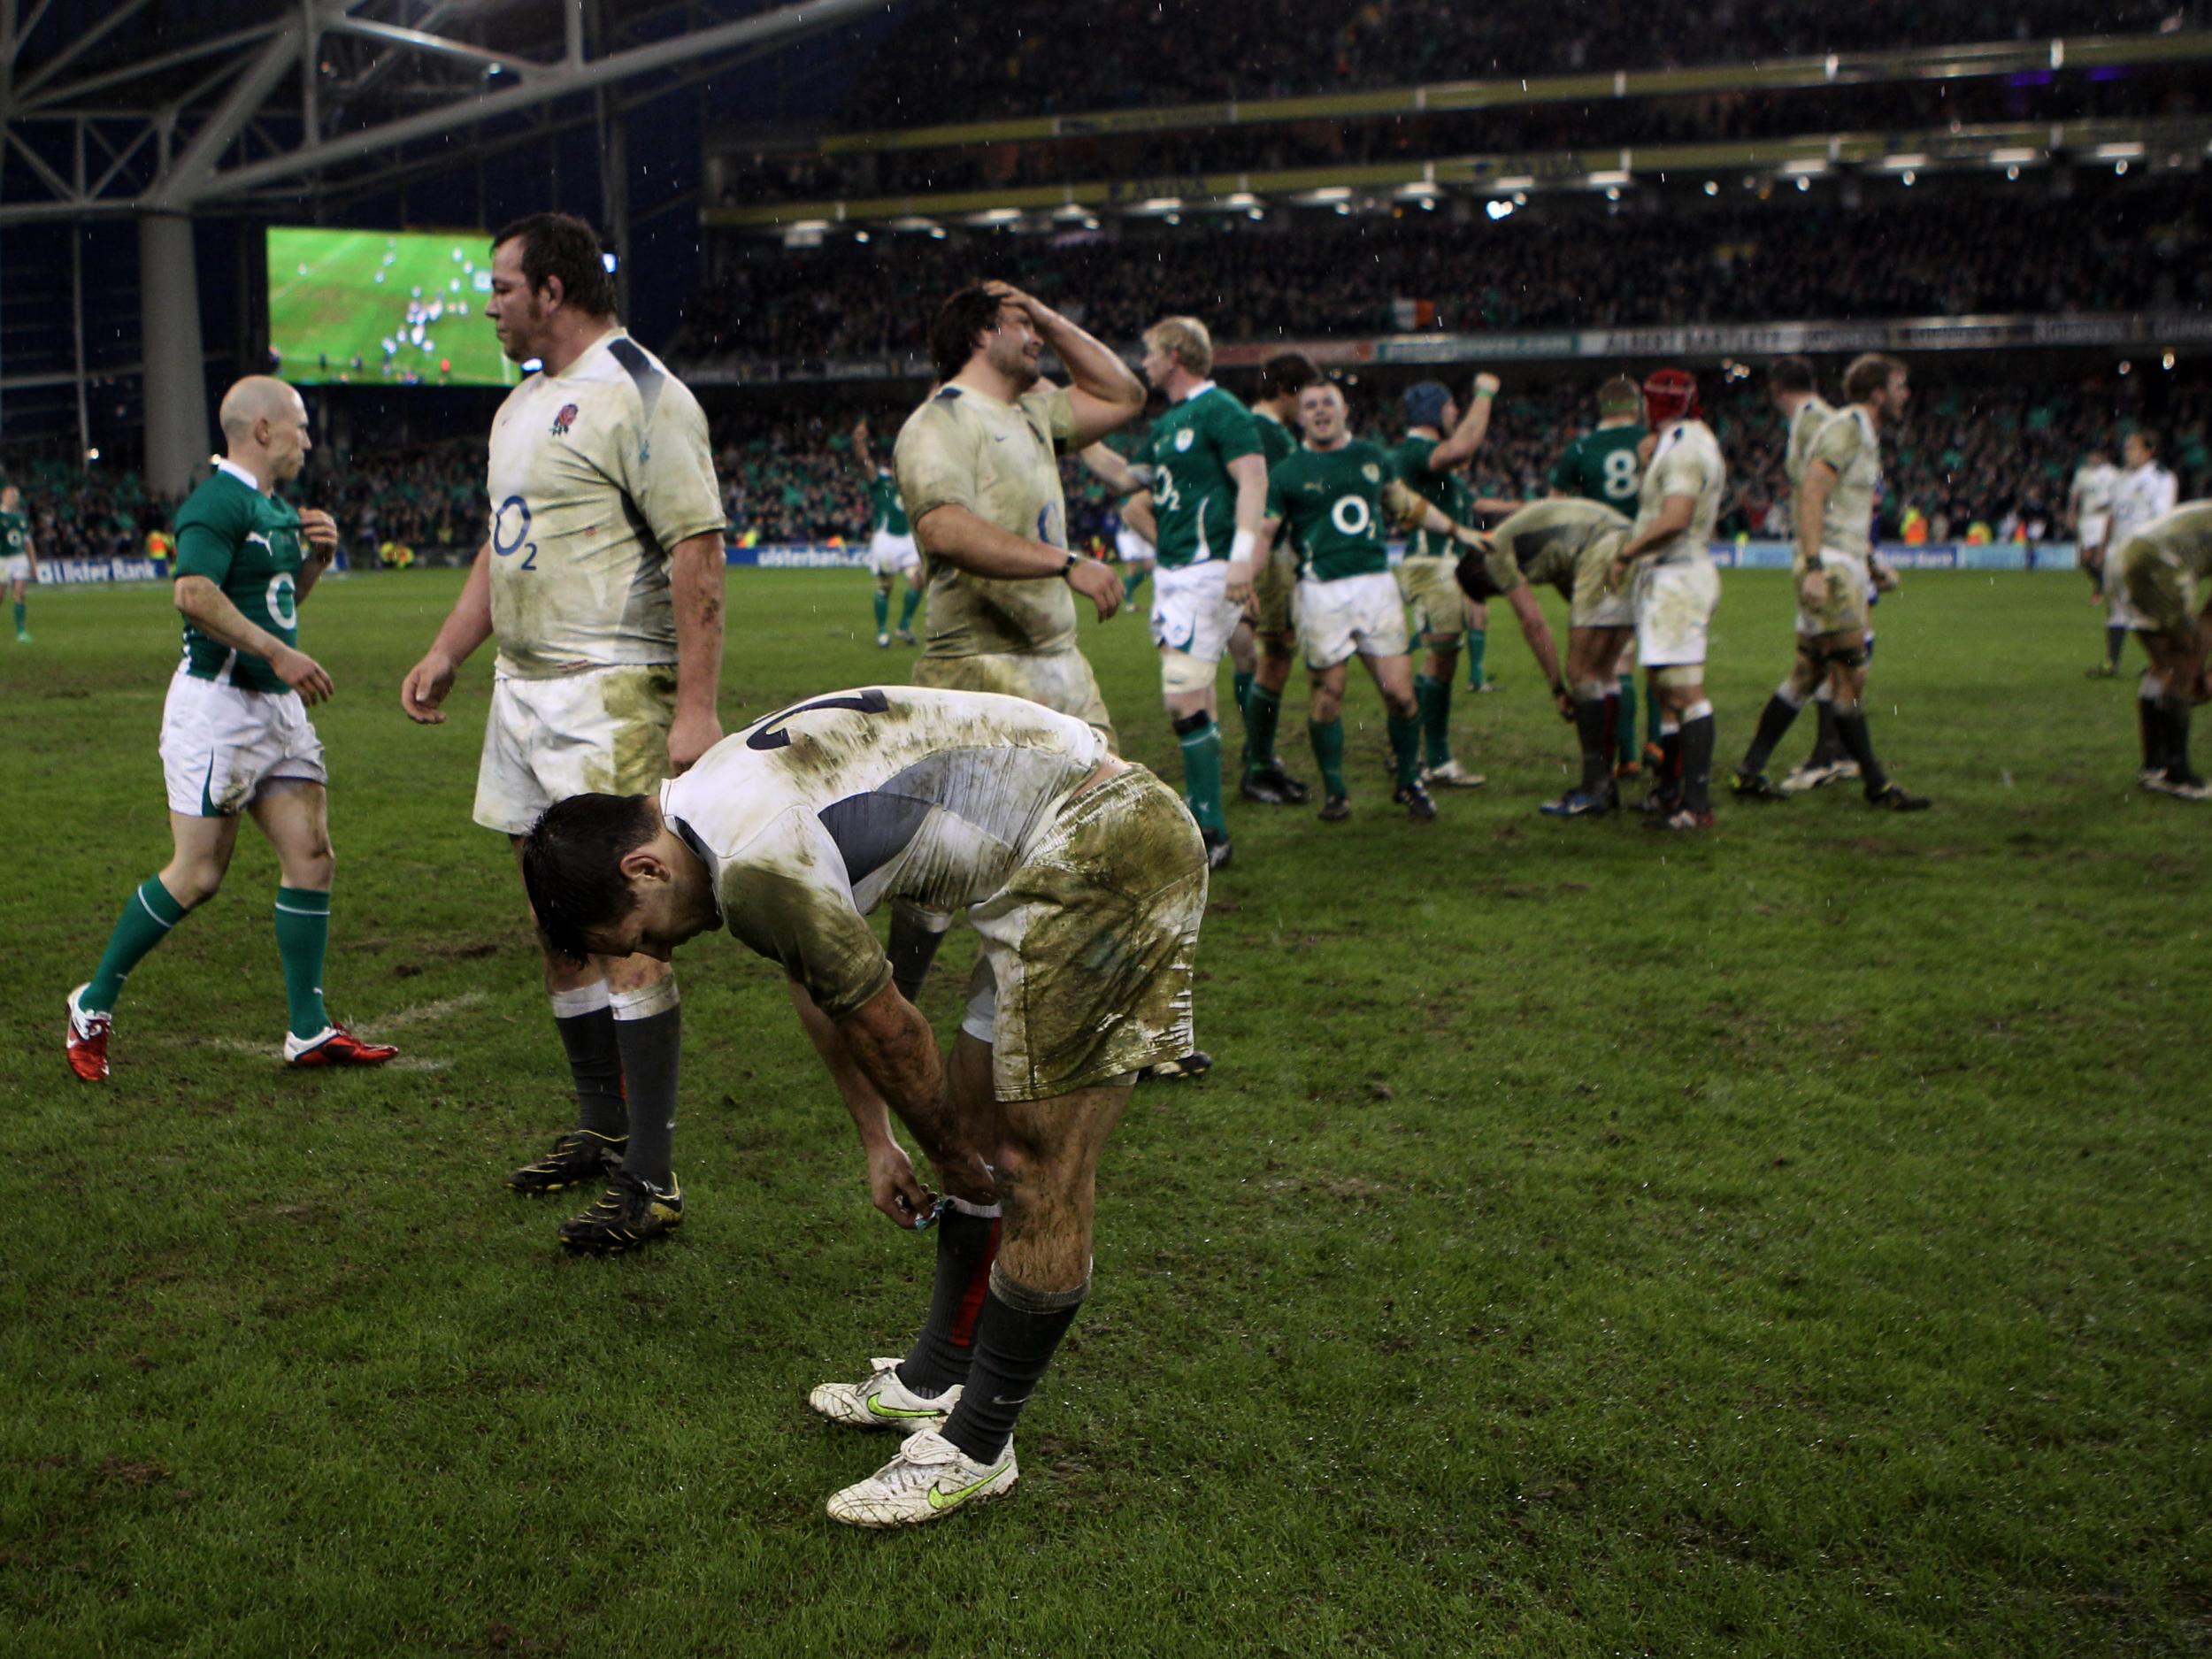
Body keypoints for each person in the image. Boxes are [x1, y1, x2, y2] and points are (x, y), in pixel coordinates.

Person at [518, 685, 1208, 1526]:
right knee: (979, 1132)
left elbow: (888, 1024)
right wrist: (881, 1140)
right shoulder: (705, 801)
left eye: (642, 934)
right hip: (1050, 852)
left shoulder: (750, 856)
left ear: (643, 867)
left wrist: (950, 1154)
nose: (658, 951)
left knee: (1032, 1167)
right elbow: (825, 984)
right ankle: (940, 1374)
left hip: (1108, 855)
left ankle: (978, 1444)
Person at [399, 211, 727, 1254]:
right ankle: (601, 1125)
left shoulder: (643, 392)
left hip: (610, 690)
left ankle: (656, 1176)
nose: (489, 305)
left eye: (502, 286)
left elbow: (698, 552)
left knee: (625, 928)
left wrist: (695, 708)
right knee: (556, 921)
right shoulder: (521, 404)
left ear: (552, 288)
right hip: (522, 693)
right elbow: (506, 551)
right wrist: (451, 649)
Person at [66, 377, 398, 1081]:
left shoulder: (273, 507)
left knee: (311, 856)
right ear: (263, 431)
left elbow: (277, 603)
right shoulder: (217, 500)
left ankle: (308, 1029)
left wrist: (313, 561)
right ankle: (92, 1003)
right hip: (217, 707)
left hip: (274, 706)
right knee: (197, 874)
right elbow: (192, 593)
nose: (310, 439)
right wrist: (278, 652)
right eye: (301, 427)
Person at [874, 281, 1144, 1025]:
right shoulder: (940, 423)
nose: (1039, 339)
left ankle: (1087, 1015)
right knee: (944, 868)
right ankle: (890, 1006)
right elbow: (945, 531)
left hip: (1059, 664)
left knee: (1103, 835)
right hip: (977, 669)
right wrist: (1065, 563)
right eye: (1022, 324)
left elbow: (1124, 395)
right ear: (980, 332)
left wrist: (1049, 316)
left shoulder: (1032, 412)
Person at [1258, 380, 1484, 823]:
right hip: (1320, 592)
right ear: (1300, 417)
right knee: (1328, 694)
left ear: (1345, 411)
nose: (1320, 411)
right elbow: (1267, 533)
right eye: (1311, 406)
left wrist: (1458, 530)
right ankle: (1336, 792)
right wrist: (1245, 578)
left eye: (1328, 403)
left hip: (1376, 586)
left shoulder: (1372, 457)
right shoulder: (1285, 473)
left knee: (1400, 694)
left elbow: (1407, 505)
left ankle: (1408, 781)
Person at [1729, 354, 1932, 811]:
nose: (1906, 394)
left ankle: (1750, 770)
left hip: (1843, 561)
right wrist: (1817, 565)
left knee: (1808, 673)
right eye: (1899, 385)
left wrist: (1870, 560)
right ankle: (1876, 785)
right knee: (1850, 675)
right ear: (1877, 392)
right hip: (1833, 569)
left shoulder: (1861, 432)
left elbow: (1840, 506)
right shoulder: (1848, 427)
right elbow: (1813, 490)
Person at [1118, 315, 1268, 867]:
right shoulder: (1169, 424)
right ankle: (1207, 811)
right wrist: (1063, 434)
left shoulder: (1221, 409)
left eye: (1151, 352)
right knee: (1197, 693)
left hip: (1207, 569)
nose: (1145, 362)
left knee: (1180, 696)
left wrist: (1242, 559)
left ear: (1176, 355)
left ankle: (1210, 828)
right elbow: (1125, 481)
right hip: (1175, 572)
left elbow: (1254, 479)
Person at [1602, 368, 1725, 831]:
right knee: (1663, 686)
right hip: (1668, 576)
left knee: (1684, 689)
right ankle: (1671, 792)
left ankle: (1695, 804)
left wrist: (1626, 553)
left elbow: (1676, 516)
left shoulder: (1685, 448)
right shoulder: (1687, 440)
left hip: (1677, 576)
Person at [1450, 499, 1628, 814]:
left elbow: (1532, 622)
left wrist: (1558, 687)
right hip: (1625, 539)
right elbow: (1569, 585)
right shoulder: (1537, 546)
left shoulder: (1494, 553)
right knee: (1603, 672)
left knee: (1580, 673)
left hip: (1600, 545)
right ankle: (1605, 783)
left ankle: (1593, 788)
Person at [1394, 375, 1502, 789]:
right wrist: (1485, 394)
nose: (1455, 414)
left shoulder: (1427, 462)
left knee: (1440, 659)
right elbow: (1462, 447)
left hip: (1440, 563)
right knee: (1440, 660)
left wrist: (1531, 508)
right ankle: (1433, 759)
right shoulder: (1419, 450)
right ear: (1433, 411)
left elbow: (1473, 503)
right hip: (1431, 563)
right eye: (1450, 407)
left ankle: (1415, 752)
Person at [1548, 375, 1648, 772]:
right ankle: (1658, 744)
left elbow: (1555, 507)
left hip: (1602, 556)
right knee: (1655, 654)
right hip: (1648, 549)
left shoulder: (1580, 448)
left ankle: (1625, 756)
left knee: (1614, 661)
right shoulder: (1650, 441)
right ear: (1636, 405)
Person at [1240, 350, 1320, 803]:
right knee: (1274, 653)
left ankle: (1260, 756)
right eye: (1302, 397)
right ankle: (1258, 765)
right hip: (1266, 555)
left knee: (1268, 653)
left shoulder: (1265, 433)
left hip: (1264, 553)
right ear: (1287, 392)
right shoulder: (1267, 435)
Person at [2112, 501, 2212, 798]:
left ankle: (2154, 766)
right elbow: (2210, 619)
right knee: (2181, 665)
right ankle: (2177, 774)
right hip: (2157, 565)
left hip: (2124, 555)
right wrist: (2199, 671)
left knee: (2164, 663)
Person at [2090, 429, 2179, 682]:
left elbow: (2163, 520)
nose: (2127, 452)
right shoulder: (2121, 479)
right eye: (2127, 448)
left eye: (2133, 448)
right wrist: (2102, 548)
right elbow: (2114, 516)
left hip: (2143, 553)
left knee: (2149, 608)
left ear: (2149, 451)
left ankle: (2162, 664)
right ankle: (2111, 663)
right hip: (2117, 552)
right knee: (2116, 607)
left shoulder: (2160, 479)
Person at [853, 419, 922, 648]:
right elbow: (864, 461)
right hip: (886, 540)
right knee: (886, 586)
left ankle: (903, 626)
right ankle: (882, 632)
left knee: (917, 581)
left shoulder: (910, 481)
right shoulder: (879, 479)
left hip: (908, 539)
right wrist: (859, 440)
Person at [2, 483, 37, 642]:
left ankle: (21, 632)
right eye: (10, 495)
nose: (13, 499)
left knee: (20, 594)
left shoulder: (22, 517)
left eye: (15, 496)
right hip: (2, 559)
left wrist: (33, 564)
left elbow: (28, 542)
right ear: (3, 497)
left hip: (19, 558)